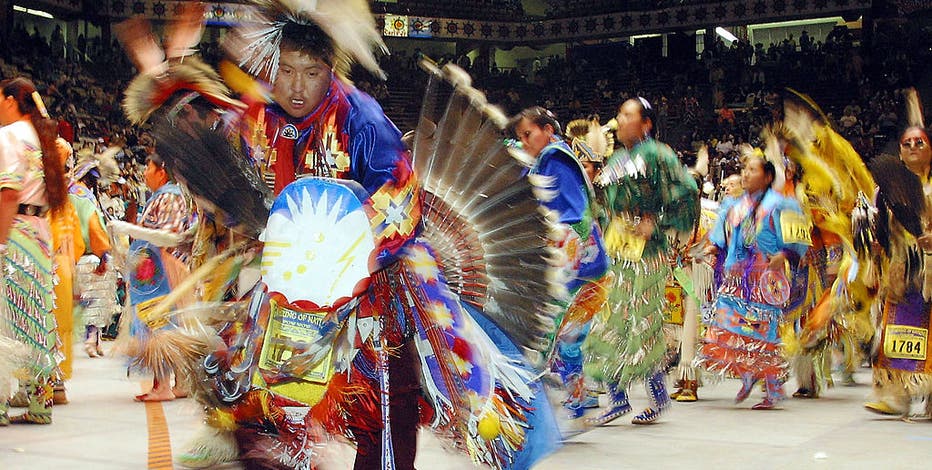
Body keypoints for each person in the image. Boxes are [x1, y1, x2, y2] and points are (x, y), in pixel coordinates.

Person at [584, 97, 699, 425]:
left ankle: (658, 398)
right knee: (608, 323)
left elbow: (687, 191)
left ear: (646, 122)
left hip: (648, 254)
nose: (620, 119)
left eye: (628, 115)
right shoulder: (618, 158)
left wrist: (658, 222)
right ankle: (617, 398)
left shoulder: (659, 154)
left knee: (643, 325)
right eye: (619, 113)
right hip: (618, 249)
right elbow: (603, 202)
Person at [510, 107, 609, 426]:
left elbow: (574, 215)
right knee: (565, 338)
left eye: (528, 134)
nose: (524, 142)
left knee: (554, 335)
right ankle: (575, 403)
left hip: (574, 264)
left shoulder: (555, 158)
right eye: (520, 137)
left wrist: (551, 253)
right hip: (575, 263)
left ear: (548, 130)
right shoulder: (546, 160)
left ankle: (563, 405)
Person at [697, 153, 809, 410]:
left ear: (768, 177)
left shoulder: (781, 204)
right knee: (728, 327)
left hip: (765, 277)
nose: (746, 174)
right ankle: (748, 374)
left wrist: (785, 254)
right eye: (744, 169)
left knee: (763, 331)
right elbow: (722, 236)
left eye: (752, 170)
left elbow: (798, 239)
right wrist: (712, 247)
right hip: (736, 276)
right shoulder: (735, 205)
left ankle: (772, 387)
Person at [0, 77, 68, 424]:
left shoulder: (9, 136)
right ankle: (40, 402)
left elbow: (8, 193)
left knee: (5, 320)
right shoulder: (44, 140)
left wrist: (0, 243)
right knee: (36, 320)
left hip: (16, 233)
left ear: (11, 100)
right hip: (41, 236)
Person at [116, 153, 197, 402]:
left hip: (161, 274)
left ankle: (163, 386)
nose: (144, 173)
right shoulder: (166, 196)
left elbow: (168, 236)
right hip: (157, 271)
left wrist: (130, 230)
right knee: (169, 324)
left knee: (159, 325)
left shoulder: (169, 197)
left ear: (161, 172)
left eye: (148, 168)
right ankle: (177, 384)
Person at [865, 126, 932, 417]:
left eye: (920, 142)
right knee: (898, 331)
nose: (912, 147)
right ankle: (896, 393)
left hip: (929, 270)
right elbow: (880, 232)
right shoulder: (887, 191)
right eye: (906, 143)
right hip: (901, 274)